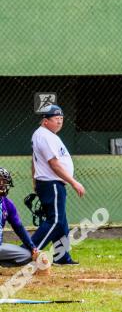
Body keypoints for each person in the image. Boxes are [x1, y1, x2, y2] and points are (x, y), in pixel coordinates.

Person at [31, 105, 85, 264]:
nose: (60, 122)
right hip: (51, 183)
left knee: (61, 223)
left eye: (61, 119)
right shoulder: (44, 136)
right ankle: (29, 252)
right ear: (46, 121)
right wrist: (74, 182)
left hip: (51, 183)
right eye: (56, 119)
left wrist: (34, 180)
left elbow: (34, 160)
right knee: (55, 221)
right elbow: (54, 164)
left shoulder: (47, 134)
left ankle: (62, 257)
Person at [0, 168, 40, 267]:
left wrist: (32, 247)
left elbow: (19, 228)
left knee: (27, 255)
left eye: (4, 181)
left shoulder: (7, 204)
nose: (2, 184)